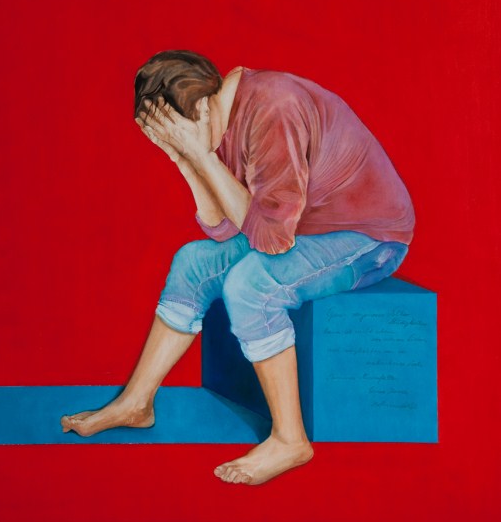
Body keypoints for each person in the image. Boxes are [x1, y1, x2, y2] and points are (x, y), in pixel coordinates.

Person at [61, 49, 415, 485]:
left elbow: (270, 240)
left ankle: (290, 439)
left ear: (202, 109)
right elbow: (225, 229)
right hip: (303, 229)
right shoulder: (218, 117)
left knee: (252, 284)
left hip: (368, 236)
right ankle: (136, 402)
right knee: (192, 262)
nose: (179, 142)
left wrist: (202, 156)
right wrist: (186, 159)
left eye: (177, 134)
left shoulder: (273, 107)